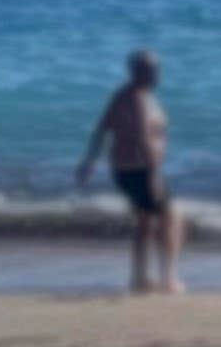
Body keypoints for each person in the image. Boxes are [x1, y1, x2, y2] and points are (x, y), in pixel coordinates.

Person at [74, 48, 184, 295]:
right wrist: (154, 173)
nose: (156, 74)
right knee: (171, 217)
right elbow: (143, 137)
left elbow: (101, 129)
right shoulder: (137, 98)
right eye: (151, 70)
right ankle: (168, 279)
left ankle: (140, 278)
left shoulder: (124, 95)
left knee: (145, 221)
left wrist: (89, 161)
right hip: (141, 168)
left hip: (125, 169)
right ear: (136, 71)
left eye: (156, 69)